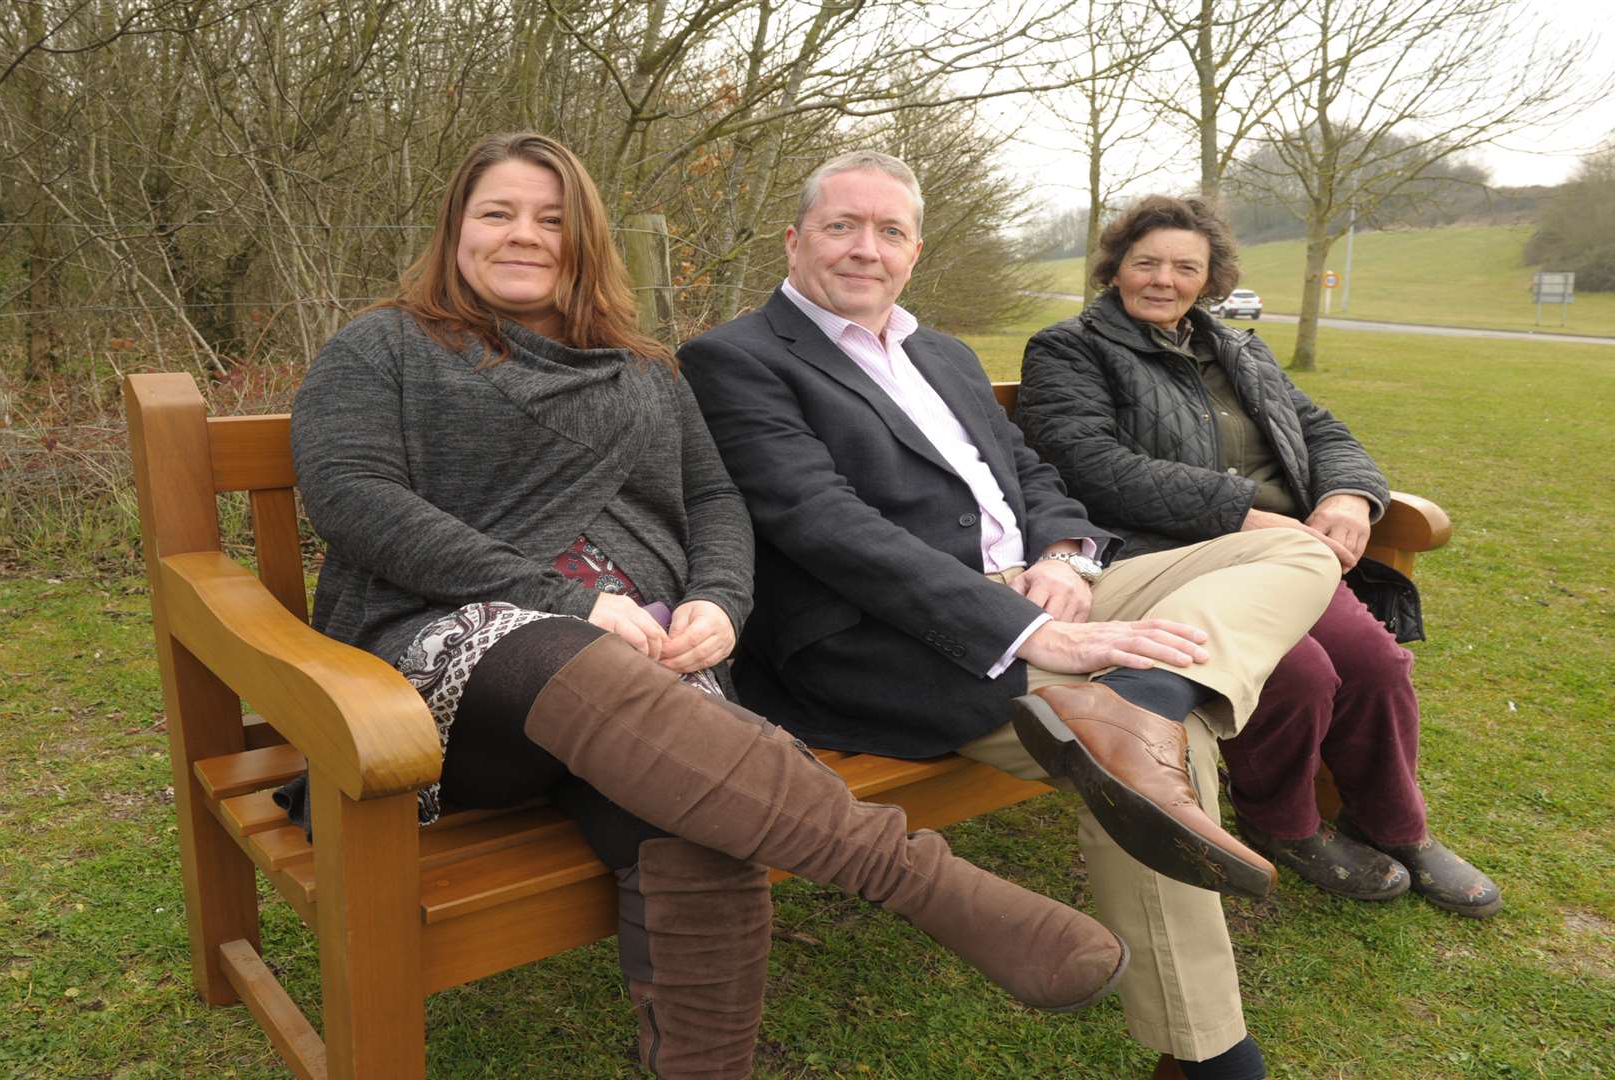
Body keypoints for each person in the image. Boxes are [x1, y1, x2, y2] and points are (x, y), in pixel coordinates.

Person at [285, 133, 1128, 1080]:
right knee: (584, 663)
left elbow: (716, 501)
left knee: (698, 811)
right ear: (454, 231)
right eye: (498, 214)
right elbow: (354, 498)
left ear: (584, 243)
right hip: (440, 683)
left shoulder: (640, 366)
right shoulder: (383, 347)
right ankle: (921, 884)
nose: (525, 236)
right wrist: (563, 600)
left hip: (648, 675)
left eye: (551, 220)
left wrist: (720, 604)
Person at [680, 151, 1346, 1080]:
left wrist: (1067, 559)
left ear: (915, 251)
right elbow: (824, 526)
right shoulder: (733, 361)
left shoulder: (941, 353)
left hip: (1042, 588)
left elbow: (1031, 474)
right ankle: (1209, 1057)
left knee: (1295, 547)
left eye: (889, 231)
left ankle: (1146, 694)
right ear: (795, 240)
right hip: (901, 636)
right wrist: (1033, 632)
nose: (865, 249)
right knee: (1178, 746)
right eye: (842, 226)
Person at [1014, 193, 1501, 920]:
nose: (1163, 279)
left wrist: (1346, 496)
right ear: (1115, 269)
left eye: (1186, 266)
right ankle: (1283, 826)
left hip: (1282, 550)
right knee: (1299, 670)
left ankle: (1393, 826)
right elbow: (1091, 465)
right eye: (1145, 263)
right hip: (1169, 556)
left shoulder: (1235, 347)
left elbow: (1323, 429)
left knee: (1375, 664)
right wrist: (1239, 510)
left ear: (1210, 279)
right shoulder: (1069, 349)